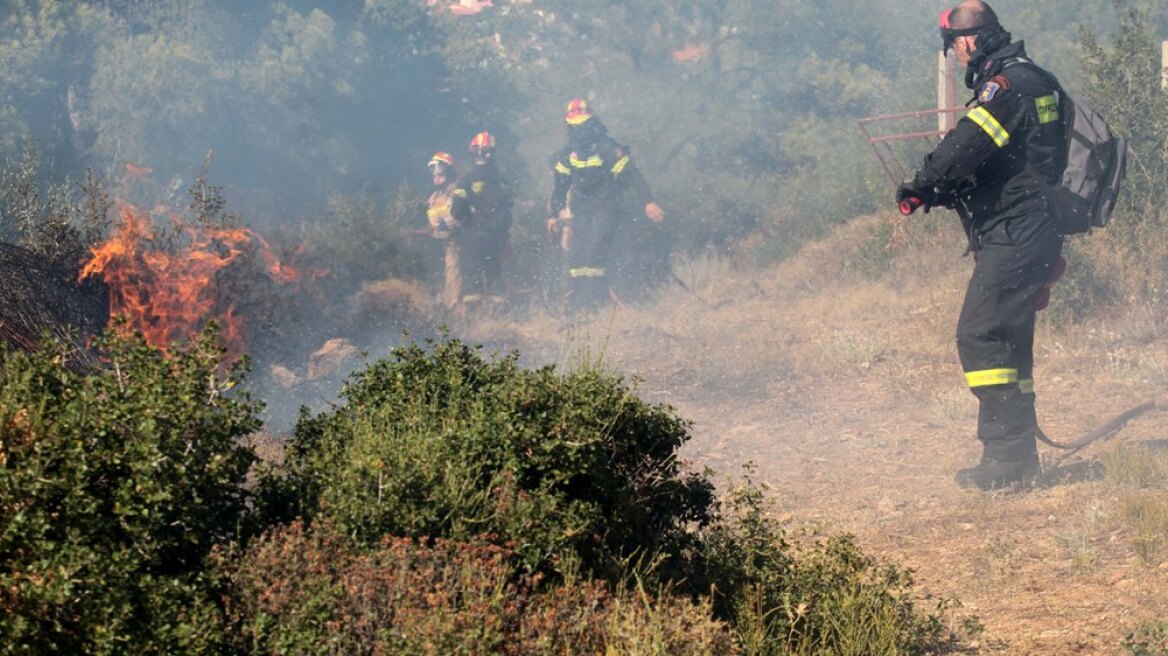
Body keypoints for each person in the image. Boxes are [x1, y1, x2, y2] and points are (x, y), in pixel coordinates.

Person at [896, 0, 1066, 490]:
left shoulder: (1007, 86)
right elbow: (1018, 156)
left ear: (967, 40)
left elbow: (969, 142)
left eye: (954, 46)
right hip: (1031, 228)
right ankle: (1019, 459)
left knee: (981, 334)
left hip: (1018, 230)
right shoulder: (1037, 78)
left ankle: (1007, 459)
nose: (955, 56)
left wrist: (923, 184)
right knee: (1010, 339)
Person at [546, 98, 665, 312]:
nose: (579, 130)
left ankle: (593, 305)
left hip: (606, 208)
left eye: (583, 124)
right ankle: (577, 307)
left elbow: (631, 175)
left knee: (592, 254)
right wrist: (554, 213)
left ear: (591, 123)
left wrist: (648, 201)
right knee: (577, 257)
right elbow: (560, 186)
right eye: (575, 126)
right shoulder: (568, 154)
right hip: (581, 211)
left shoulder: (607, 147)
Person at [451, 131, 513, 308]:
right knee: (494, 273)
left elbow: (456, 211)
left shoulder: (466, 180)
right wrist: (499, 233)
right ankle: (500, 320)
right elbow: (507, 214)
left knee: (470, 276)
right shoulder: (501, 180)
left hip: (471, 236)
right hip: (494, 238)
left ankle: (474, 323)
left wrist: (468, 223)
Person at [424, 151, 470, 310]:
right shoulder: (434, 197)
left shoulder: (457, 193)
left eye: (440, 170)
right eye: (432, 171)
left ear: (450, 172)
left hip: (457, 243)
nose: (435, 175)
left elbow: (458, 218)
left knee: (454, 275)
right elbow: (433, 218)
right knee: (438, 279)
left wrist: (442, 226)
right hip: (438, 245)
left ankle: (456, 311)